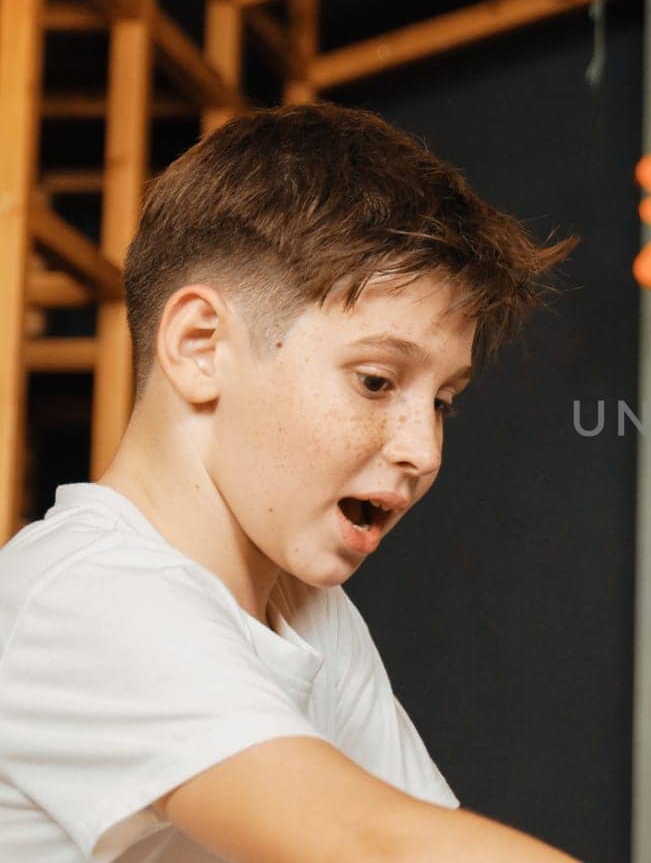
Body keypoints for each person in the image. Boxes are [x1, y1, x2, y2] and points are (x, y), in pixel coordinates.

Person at [0, 105, 579, 862]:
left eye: (442, 403)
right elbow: (379, 848)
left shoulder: (307, 615)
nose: (424, 450)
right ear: (201, 346)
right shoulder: (83, 593)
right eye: (376, 382)